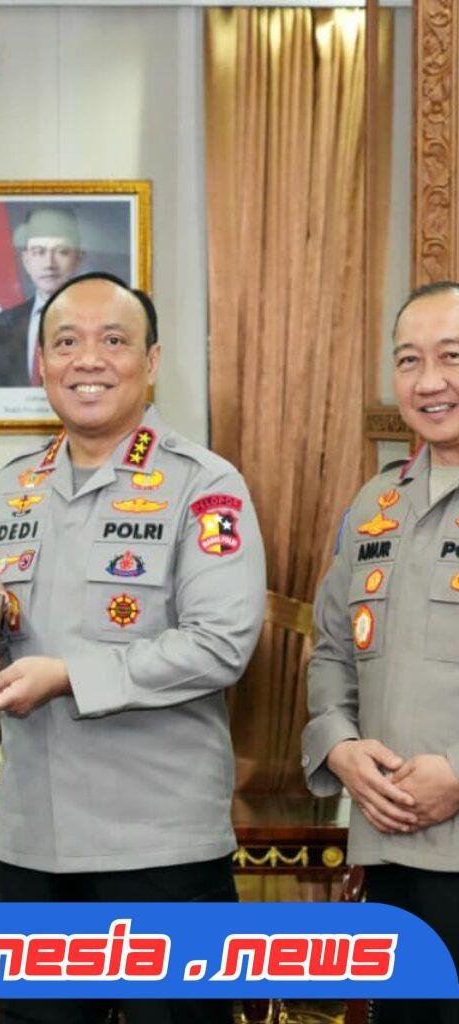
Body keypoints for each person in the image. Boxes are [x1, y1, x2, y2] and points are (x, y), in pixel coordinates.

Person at [0, 272, 266, 1024]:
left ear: (151, 361)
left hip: (159, 851)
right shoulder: (13, 487)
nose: (88, 360)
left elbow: (221, 644)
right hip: (33, 847)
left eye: (114, 341)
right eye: (66, 342)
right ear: (42, 364)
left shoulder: (204, 485)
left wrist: (69, 676)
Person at [303, 281, 459, 1024]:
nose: (429, 381)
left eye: (452, 357)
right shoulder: (376, 502)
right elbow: (333, 648)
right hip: (394, 850)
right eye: (408, 360)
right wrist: (339, 748)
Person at [0, 206, 84, 388]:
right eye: (39, 252)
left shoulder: (101, 322)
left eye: (62, 252)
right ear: (26, 260)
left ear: (78, 260)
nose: (49, 264)